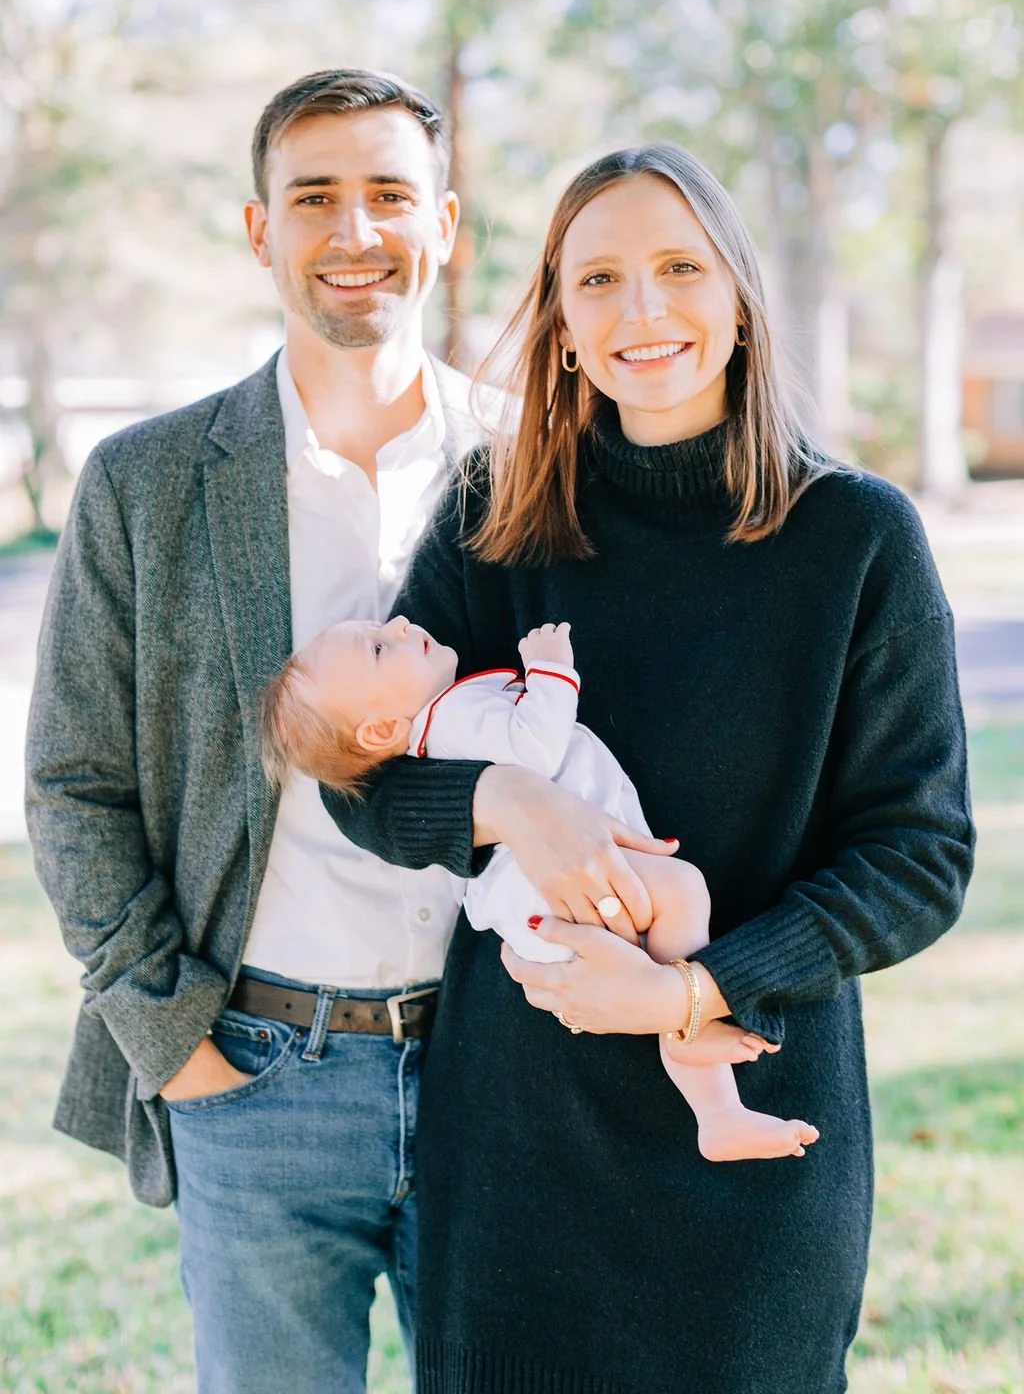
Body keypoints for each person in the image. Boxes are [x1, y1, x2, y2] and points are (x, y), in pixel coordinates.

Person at [321, 143, 975, 1394]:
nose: (643, 310)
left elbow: (919, 853)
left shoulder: (854, 538)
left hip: (751, 1111)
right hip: (523, 1136)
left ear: (737, 298)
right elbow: (364, 781)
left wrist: (692, 993)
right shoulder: (493, 512)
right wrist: (505, 798)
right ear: (562, 325)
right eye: (599, 279)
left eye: (678, 267)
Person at [25, 68, 578, 1394]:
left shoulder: (542, 466)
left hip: (503, 1073)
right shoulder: (149, 483)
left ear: (445, 226)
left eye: (390, 195)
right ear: (260, 229)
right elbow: (72, 786)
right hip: (259, 1076)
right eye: (313, 197)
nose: (354, 232)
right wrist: (179, 1045)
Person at [261, 613, 820, 1161]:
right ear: (381, 730)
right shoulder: (453, 717)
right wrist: (551, 671)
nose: (401, 623)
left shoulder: (441, 731)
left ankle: (718, 1111)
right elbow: (535, 750)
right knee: (683, 892)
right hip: (553, 896)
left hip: (544, 906)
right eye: (380, 648)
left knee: (666, 932)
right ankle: (690, 1041)